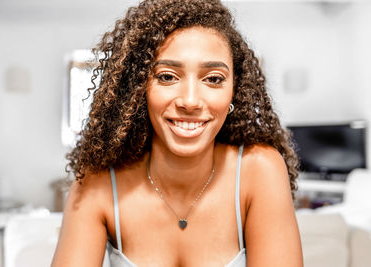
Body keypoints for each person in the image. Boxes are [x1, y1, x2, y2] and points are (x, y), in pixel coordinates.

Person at [52, 0, 303, 266]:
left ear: (234, 91)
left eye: (214, 79)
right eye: (168, 77)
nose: (191, 101)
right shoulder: (98, 183)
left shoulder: (259, 170)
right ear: (138, 89)